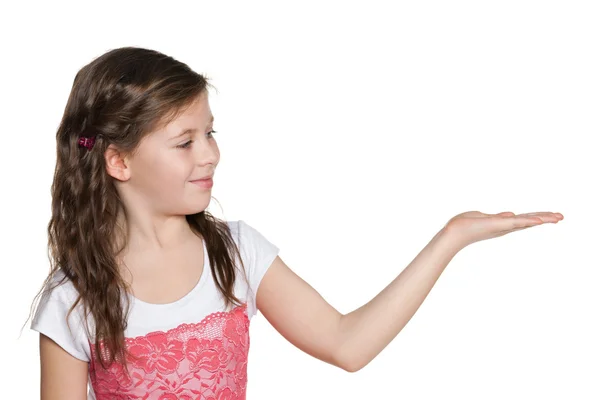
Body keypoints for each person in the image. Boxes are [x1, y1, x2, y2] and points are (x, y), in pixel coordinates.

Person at [27, 46, 563, 400]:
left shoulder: (236, 254)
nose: (209, 154)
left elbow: (346, 344)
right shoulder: (73, 297)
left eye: (211, 133)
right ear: (117, 161)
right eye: (185, 141)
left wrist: (450, 239)